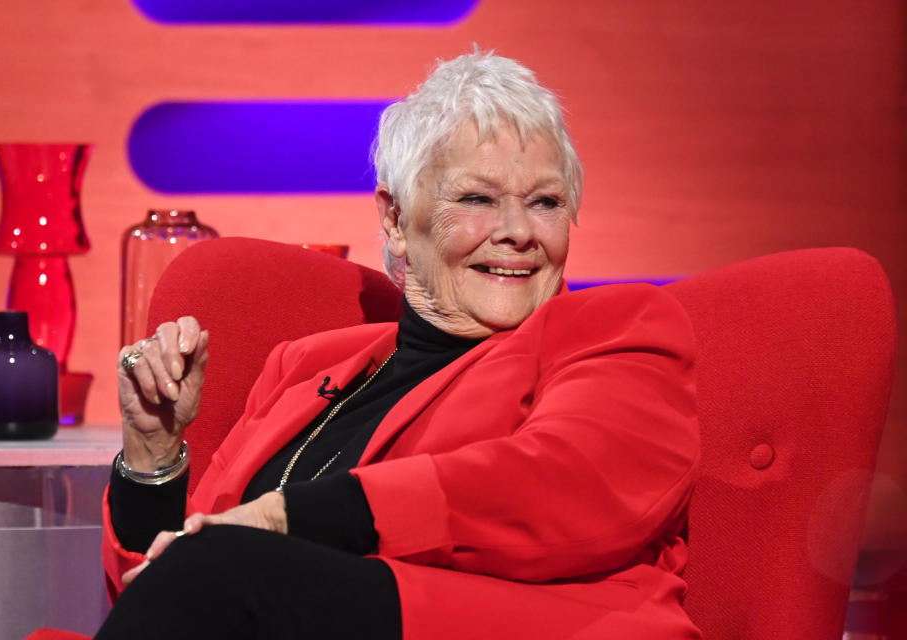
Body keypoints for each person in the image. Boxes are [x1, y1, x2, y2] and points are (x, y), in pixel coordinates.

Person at [96, 50, 701, 639]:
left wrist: (276, 520)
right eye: (477, 199)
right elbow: (162, 589)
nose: (519, 232)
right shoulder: (303, 368)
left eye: (545, 202)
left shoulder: (615, 329)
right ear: (394, 218)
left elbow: (568, 485)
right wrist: (153, 455)